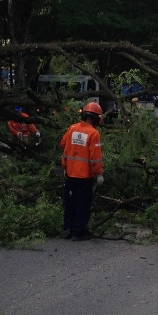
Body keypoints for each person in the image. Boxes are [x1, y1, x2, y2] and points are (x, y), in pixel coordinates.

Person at [60, 101, 104, 241]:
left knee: (70, 203)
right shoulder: (94, 133)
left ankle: (67, 229)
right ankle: (78, 232)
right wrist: (99, 174)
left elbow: (63, 144)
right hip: (84, 176)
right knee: (82, 204)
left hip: (70, 173)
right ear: (97, 118)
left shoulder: (72, 128)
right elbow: (95, 158)